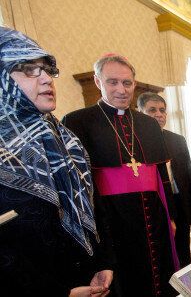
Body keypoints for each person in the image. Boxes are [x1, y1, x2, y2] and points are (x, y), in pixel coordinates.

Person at [0, 27, 113, 296]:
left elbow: (93, 206)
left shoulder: (66, 139)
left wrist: (103, 262)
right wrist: (62, 292)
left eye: (47, 70)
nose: (46, 79)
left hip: (89, 279)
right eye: (29, 69)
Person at [63, 54, 178, 296]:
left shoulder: (147, 124)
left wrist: (171, 217)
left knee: (159, 277)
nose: (121, 90)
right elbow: (77, 187)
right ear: (98, 82)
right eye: (112, 82)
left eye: (127, 83)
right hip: (109, 220)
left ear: (134, 84)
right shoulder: (77, 122)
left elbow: (161, 176)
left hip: (153, 218)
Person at [138, 92, 191, 267]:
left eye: (162, 110)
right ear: (140, 112)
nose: (159, 114)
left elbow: (189, 178)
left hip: (180, 204)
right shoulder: (137, 144)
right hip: (157, 207)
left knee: (183, 254)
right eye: (152, 110)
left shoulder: (177, 140)